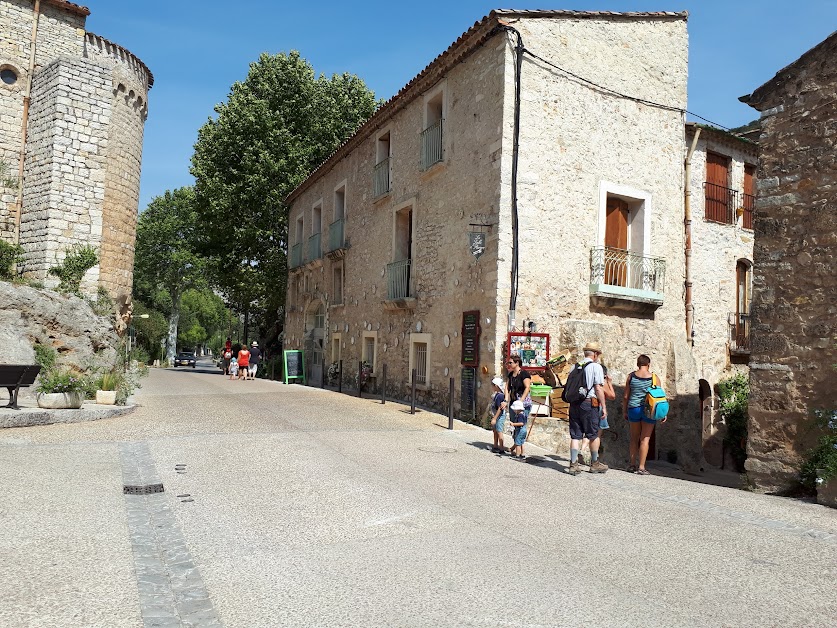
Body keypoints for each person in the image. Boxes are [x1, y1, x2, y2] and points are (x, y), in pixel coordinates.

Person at [568, 341, 609, 475]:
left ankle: (573, 465)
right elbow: (598, 388)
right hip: (589, 403)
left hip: (574, 403)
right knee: (593, 434)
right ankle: (594, 463)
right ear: (595, 354)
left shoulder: (574, 367)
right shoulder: (596, 367)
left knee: (575, 435)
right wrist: (603, 406)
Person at [624, 354, 666, 475]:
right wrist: (662, 414)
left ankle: (632, 465)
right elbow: (659, 398)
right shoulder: (654, 377)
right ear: (648, 364)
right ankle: (641, 467)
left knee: (634, 438)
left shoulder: (631, 377)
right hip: (649, 410)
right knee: (645, 439)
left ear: (638, 364)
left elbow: (626, 396)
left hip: (633, 408)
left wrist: (624, 410)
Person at [578, 364, 617, 466]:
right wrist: (609, 382)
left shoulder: (589, 380)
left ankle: (582, 450)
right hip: (598, 408)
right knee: (597, 435)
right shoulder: (602, 383)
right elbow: (612, 396)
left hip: (587, 407)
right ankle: (594, 459)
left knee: (589, 432)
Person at [504, 354, 532, 439]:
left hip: (522, 404)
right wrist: (505, 400)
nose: (509, 364)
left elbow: (527, 387)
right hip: (513, 403)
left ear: (517, 363)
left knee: (521, 423)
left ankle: (517, 448)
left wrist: (521, 401)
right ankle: (516, 446)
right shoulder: (511, 375)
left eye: (510, 362)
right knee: (514, 423)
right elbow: (507, 387)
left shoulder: (524, 374)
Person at [489, 376, 507, 454]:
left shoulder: (500, 396)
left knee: (499, 431)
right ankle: (495, 446)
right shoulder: (497, 394)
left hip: (499, 416)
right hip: (495, 415)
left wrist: (495, 418)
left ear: (496, 386)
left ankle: (501, 448)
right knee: (495, 431)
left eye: (492, 385)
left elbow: (500, 408)